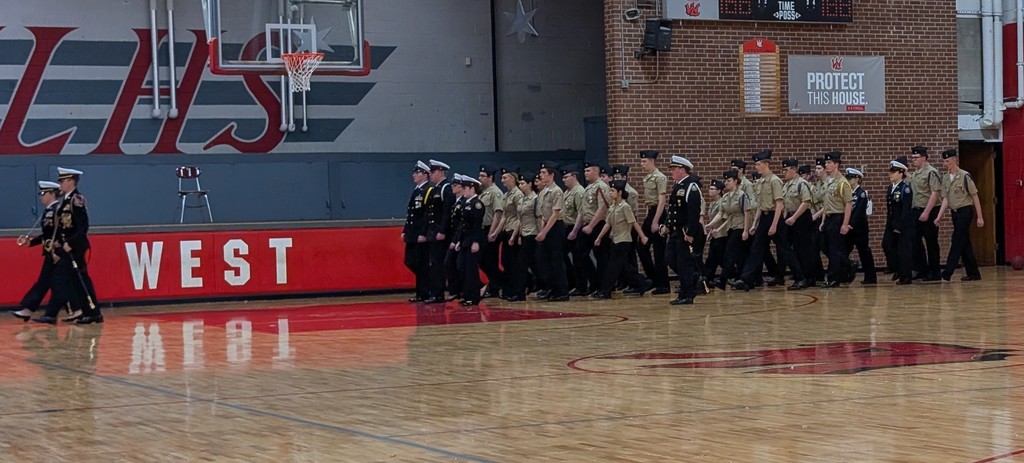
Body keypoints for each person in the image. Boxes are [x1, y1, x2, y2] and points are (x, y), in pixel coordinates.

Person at [732, 151, 806, 291]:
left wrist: (774, 225)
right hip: (765, 218)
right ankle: (746, 279)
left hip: (775, 217)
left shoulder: (775, 181)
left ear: (766, 164)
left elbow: (779, 204)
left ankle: (800, 278)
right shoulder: (760, 182)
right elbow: (760, 205)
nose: (756, 167)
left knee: (784, 250)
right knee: (756, 249)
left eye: (759, 164)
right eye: (756, 164)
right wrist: (754, 224)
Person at [37, 167, 102, 324]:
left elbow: (82, 226)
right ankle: (88, 312)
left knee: (70, 279)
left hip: (75, 247)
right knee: (75, 280)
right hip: (66, 246)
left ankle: (88, 312)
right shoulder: (65, 201)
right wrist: (57, 241)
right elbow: (62, 227)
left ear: (71, 181)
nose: (60, 184)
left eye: (62, 181)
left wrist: (70, 243)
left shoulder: (76, 200)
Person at [10, 181, 62, 322]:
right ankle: (36, 311)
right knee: (48, 282)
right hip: (49, 252)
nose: (41, 197)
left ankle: (75, 310)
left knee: (52, 282)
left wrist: (58, 250)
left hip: (56, 252)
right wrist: (31, 242)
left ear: (52, 194)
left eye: (43, 193)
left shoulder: (57, 210)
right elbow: (46, 235)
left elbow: (58, 233)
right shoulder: (48, 211)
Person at [592, 180, 651, 298]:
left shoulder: (625, 206)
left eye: (612, 191)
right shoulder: (613, 206)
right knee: (623, 267)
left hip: (623, 240)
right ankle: (642, 283)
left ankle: (605, 291)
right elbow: (607, 224)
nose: (610, 193)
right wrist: (599, 237)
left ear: (619, 192)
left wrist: (643, 236)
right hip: (615, 239)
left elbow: (633, 222)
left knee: (613, 267)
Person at [934, 148, 984, 281]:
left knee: (956, 239)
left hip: (965, 211)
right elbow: (945, 199)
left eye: (948, 161)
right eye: (944, 161)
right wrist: (939, 217)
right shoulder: (945, 178)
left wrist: (980, 217)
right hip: (955, 213)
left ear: (955, 160)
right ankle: (974, 273)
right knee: (964, 242)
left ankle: (947, 272)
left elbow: (974, 196)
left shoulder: (964, 176)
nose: (946, 164)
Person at [661, 155, 702, 305]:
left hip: (685, 231)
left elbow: (693, 212)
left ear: (682, 170)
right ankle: (693, 279)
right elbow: (673, 209)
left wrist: (690, 233)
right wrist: (667, 225)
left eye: (674, 169)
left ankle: (687, 294)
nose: (671, 172)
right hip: (675, 230)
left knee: (683, 263)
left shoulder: (691, 186)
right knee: (670, 259)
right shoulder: (679, 185)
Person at [572, 161, 610, 295]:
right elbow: (582, 211)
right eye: (585, 171)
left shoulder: (601, 186)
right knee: (579, 253)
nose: (585, 173)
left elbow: (603, 208)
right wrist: (576, 230)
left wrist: (591, 226)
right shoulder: (588, 187)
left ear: (596, 171)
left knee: (601, 257)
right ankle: (591, 282)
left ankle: (603, 287)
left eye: (588, 171)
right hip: (586, 225)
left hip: (598, 225)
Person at [819, 152, 854, 288]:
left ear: (836, 165)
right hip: (828, 217)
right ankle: (848, 264)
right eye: (826, 163)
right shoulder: (828, 181)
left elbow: (848, 204)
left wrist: (845, 224)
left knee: (834, 249)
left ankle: (834, 278)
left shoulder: (842, 183)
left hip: (838, 217)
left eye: (829, 163)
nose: (826, 165)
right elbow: (825, 203)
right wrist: (822, 221)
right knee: (825, 246)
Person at [536, 161, 570, 301]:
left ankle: (562, 291)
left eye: (544, 173)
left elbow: (555, 214)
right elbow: (543, 214)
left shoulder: (557, 191)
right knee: (546, 261)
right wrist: (542, 230)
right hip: (547, 226)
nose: (541, 175)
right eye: (541, 172)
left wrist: (544, 232)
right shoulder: (543, 192)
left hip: (555, 226)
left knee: (556, 260)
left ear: (551, 175)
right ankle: (552, 288)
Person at [637, 150, 670, 294]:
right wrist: (648, 218)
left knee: (659, 251)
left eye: (644, 161)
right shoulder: (648, 178)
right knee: (641, 246)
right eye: (641, 161)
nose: (641, 164)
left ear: (652, 161)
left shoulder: (659, 177)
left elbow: (662, 201)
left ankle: (663, 284)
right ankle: (653, 279)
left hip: (659, 213)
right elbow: (648, 202)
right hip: (651, 212)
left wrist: (656, 221)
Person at [908, 146, 943, 281]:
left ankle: (935, 272)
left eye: (916, 158)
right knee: (915, 242)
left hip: (929, 211)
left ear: (924, 158)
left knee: (931, 242)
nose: (914, 160)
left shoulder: (931, 172)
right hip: (916, 210)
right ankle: (922, 269)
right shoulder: (916, 173)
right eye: (912, 158)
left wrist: (927, 212)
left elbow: (935, 193)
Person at [423, 159, 456, 304]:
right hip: (433, 231)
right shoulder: (435, 189)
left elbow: (447, 212)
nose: (431, 174)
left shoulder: (446, 188)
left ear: (441, 172)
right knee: (433, 263)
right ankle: (435, 292)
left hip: (441, 233)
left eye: (433, 171)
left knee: (438, 263)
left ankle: (438, 293)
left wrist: (442, 230)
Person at [507, 173, 541, 302]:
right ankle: (532, 286)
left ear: (530, 184)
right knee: (528, 263)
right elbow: (519, 220)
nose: (520, 186)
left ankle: (520, 293)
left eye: (522, 183)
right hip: (524, 233)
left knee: (522, 263)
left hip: (533, 233)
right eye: (519, 183)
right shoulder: (522, 199)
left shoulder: (535, 199)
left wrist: (541, 234)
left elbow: (538, 218)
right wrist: (516, 235)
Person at [402, 161, 431, 302]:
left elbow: (426, 215)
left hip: (420, 233)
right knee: (410, 261)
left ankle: (424, 291)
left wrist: (423, 233)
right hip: (412, 233)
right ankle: (423, 290)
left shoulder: (427, 190)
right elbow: (411, 213)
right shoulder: (417, 190)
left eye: (417, 172)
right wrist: (405, 230)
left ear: (425, 174)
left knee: (421, 263)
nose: (414, 175)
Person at [883, 157, 915, 285]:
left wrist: (900, 226)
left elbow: (906, 210)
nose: (890, 174)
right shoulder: (891, 188)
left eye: (893, 172)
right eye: (890, 172)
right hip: (891, 223)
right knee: (886, 245)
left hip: (903, 225)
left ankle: (905, 276)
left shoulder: (905, 189)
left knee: (904, 250)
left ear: (901, 173)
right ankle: (897, 268)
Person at [844, 167, 877, 284]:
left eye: (850, 178)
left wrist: (850, 225)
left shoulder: (861, 194)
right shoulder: (848, 193)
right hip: (848, 228)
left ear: (857, 179)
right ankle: (845, 275)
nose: (848, 180)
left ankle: (871, 277)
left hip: (859, 229)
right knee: (843, 252)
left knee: (864, 252)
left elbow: (858, 212)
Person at [456, 177, 485, 306]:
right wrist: (458, 240)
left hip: (472, 240)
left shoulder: (477, 204)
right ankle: (467, 294)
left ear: (472, 189)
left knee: (470, 270)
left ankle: (473, 297)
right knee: (461, 266)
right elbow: (463, 225)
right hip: (465, 240)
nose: (464, 190)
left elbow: (477, 225)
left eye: (466, 188)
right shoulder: (466, 203)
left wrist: (476, 242)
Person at [477, 165, 505, 298]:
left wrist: (492, 232)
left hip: (491, 228)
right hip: (483, 228)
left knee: (488, 260)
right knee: (484, 260)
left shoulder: (495, 192)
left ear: (490, 177)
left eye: (483, 176)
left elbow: (498, 213)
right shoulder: (483, 192)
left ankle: (500, 282)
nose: (480, 178)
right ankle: (496, 285)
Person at [496, 168, 524, 299]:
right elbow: (504, 216)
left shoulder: (518, 194)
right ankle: (508, 290)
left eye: (505, 178)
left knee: (515, 263)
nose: (502, 181)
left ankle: (517, 291)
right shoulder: (506, 195)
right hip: (506, 230)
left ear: (513, 179)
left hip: (514, 229)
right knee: (506, 262)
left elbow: (520, 217)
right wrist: (496, 232)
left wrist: (515, 236)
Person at [561, 165, 585, 294]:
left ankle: (581, 286)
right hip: (567, 227)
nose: (564, 180)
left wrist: (574, 231)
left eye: (566, 177)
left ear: (574, 177)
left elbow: (581, 213)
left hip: (576, 227)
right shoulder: (567, 192)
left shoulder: (579, 191)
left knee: (578, 258)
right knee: (562, 254)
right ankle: (572, 282)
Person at [444, 175, 467, 301]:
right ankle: (456, 289)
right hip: (453, 237)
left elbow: (461, 224)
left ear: (461, 187)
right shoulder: (456, 202)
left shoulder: (464, 202)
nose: (452, 188)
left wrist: (456, 240)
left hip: (459, 238)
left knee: (457, 264)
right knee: (450, 264)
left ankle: (460, 289)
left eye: (455, 185)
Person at [700, 179, 727, 286]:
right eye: (709, 188)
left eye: (712, 189)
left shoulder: (722, 202)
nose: (710, 191)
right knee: (712, 258)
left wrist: (712, 227)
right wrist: (711, 231)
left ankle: (732, 273)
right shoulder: (712, 204)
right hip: (715, 234)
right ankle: (708, 278)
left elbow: (722, 218)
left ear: (719, 191)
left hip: (722, 234)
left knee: (719, 257)